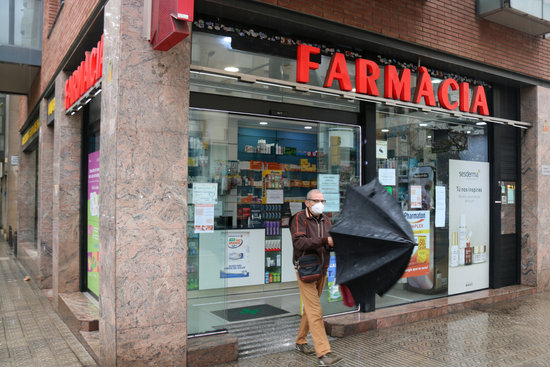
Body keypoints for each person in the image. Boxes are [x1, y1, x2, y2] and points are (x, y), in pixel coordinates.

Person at [290, 189, 342, 366]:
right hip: (305, 269)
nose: (320, 204)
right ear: (307, 203)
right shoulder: (299, 218)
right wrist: (324, 241)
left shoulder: (326, 220)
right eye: (316, 200)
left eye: (323, 200)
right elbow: (299, 242)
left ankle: (300, 341)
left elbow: (328, 244)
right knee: (315, 311)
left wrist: (334, 243)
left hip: (322, 269)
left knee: (310, 309)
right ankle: (324, 353)